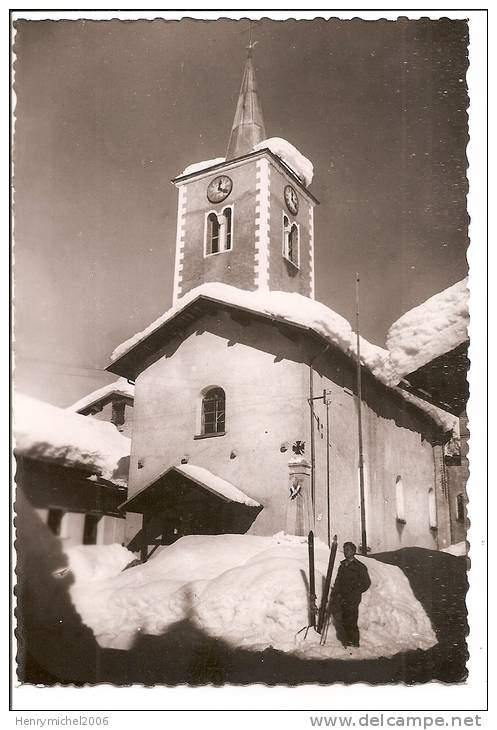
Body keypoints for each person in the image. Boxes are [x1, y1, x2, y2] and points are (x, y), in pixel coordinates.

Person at [332, 541, 371, 648]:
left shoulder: (359, 567)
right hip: (343, 597)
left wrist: (356, 591)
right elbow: (338, 581)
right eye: (344, 550)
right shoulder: (343, 565)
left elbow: (366, 583)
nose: (345, 552)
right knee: (345, 618)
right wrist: (335, 592)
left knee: (352, 619)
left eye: (348, 550)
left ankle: (354, 642)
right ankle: (348, 640)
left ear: (353, 551)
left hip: (353, 598)